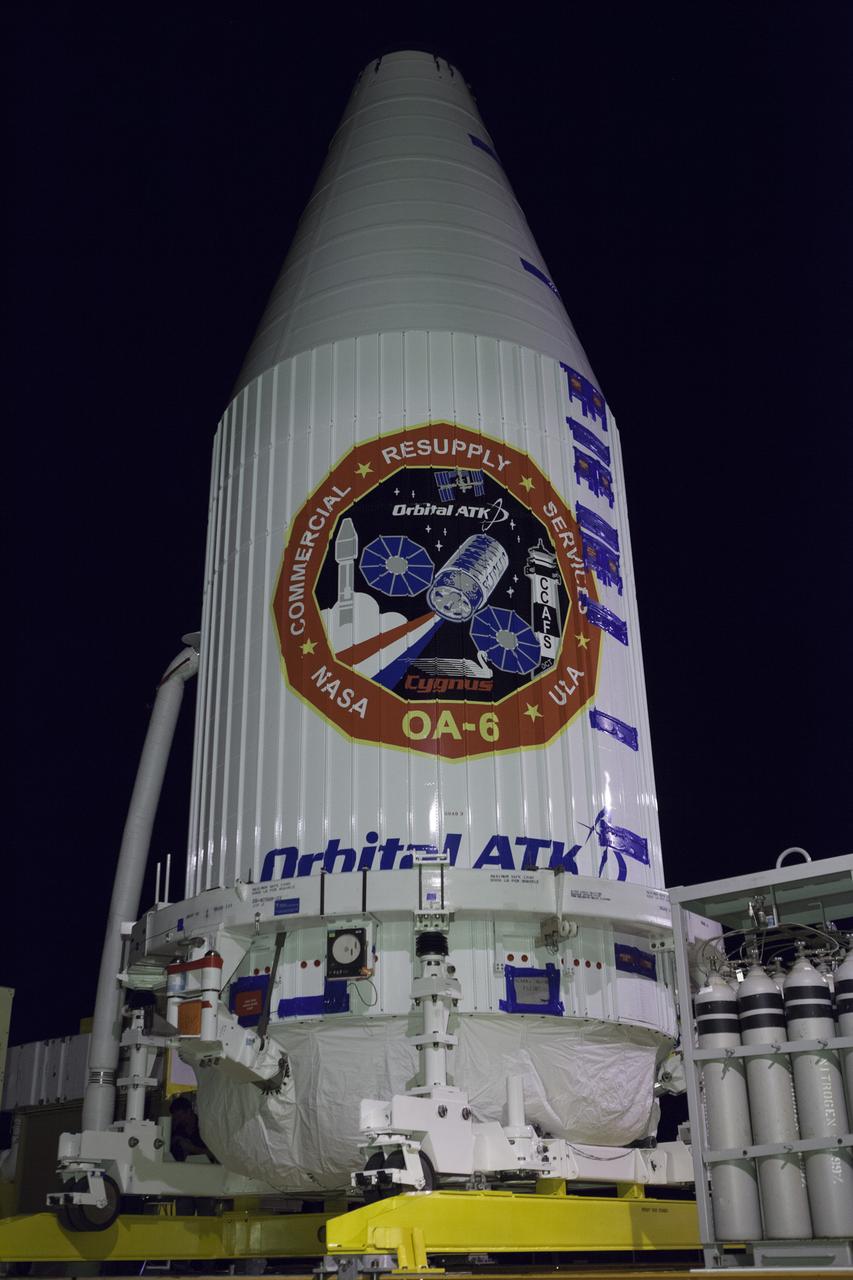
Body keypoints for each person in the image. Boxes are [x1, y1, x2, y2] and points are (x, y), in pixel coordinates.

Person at [169, 1095, 215, 1162]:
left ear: (188, 1111)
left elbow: (215, 1155)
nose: (178, 1120)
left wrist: (192, 1148)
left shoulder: (205, 1127)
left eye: (179, 1116)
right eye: (175, 1118)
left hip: (204, 1167)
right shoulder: (177, 1129)